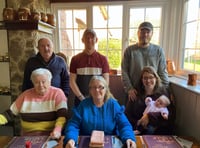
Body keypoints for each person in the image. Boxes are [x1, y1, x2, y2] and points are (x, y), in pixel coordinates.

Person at [63, 76, 136, 148]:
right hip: (86, 143)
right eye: (93, 87)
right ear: (90, 90)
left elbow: (124, 125)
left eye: (101, 87)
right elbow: (73, 125)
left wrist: (129, 138)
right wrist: (71, 139)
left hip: (109, 143)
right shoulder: (83, 105)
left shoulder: (113, 105)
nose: (97, 90)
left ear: (106, 89)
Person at [0, 68, 68, 139]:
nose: (40, 85)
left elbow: (62, 117)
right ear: (33, 83)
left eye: (43, 81)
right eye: (36, 82)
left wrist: (57, 130)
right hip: (28, 136)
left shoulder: (57, 93)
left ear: (50, 81)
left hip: (50, 136)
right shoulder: (25, 95)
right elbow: (9, 114)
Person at [121, 21, 169, 102]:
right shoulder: (130, 50)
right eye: (142, 32)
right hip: (134, 93)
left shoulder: (158, 51)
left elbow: (162, 72)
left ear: (152, 34)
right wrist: (129, 89)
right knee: (131, 114)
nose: (145, 34)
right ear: (138, 33)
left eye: (148, 32)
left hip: (154, 93)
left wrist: (164, 91)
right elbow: (124, 71)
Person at [125, 66, 175, 135]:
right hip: (136, 129)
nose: (148, 81)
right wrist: (139, 123)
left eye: (151, 77)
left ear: (156, 79)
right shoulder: (135, 93)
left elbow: (169, 116)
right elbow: (127, 114)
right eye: (145, 78)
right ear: (141, 80)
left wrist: (149, 116)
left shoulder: (163, 93)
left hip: (157, 131)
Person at [69, 28, 110, 106]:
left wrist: (98, 97)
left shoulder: (103, 59)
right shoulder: (75, 59)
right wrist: (81, 98)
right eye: (87, 37)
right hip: (80, 100)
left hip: (98, 100)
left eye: (92, 37)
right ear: (82, 40)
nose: (89, 40)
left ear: (96, 40)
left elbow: (106, 82)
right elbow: (72, 81)